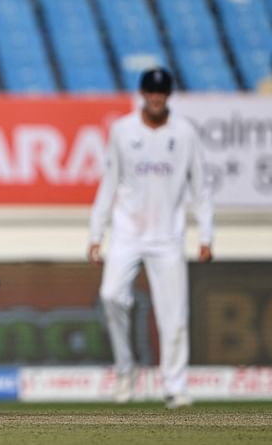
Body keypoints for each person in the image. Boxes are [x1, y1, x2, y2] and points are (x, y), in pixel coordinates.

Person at [87, 68, 214, 409]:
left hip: (167, 235)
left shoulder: (184, 133)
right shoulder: (123, 130)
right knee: (111, 296)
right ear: (142, 93)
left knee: (173, 314)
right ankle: (126, 368)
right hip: (127, 231)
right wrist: (96, 233)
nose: (156, 98)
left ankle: (174, 385)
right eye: (151, 92)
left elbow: (200, 186)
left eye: (162, 92)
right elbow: (109, 182)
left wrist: (206, 234)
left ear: (168, 95)